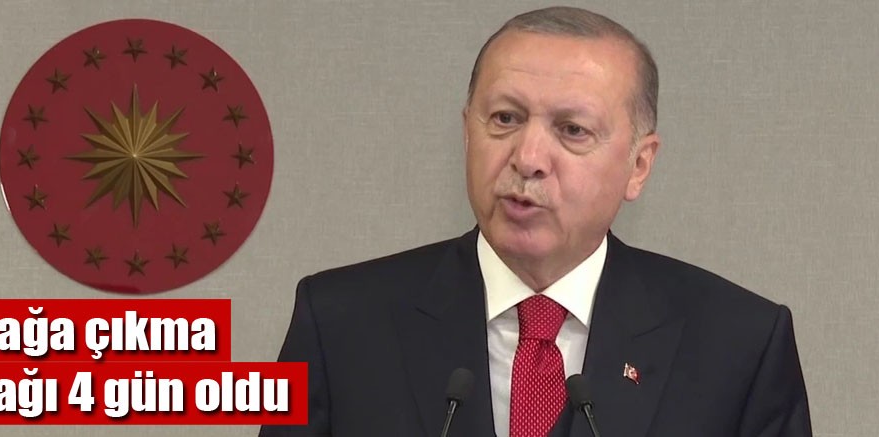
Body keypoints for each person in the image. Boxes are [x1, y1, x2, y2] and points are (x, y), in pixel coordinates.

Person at [260, 6, 811, 437]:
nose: (527, 158)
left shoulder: (738, 345)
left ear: (638, 166)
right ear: (467, 134)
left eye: (572, 130)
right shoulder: (339, 324)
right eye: (505, 118)